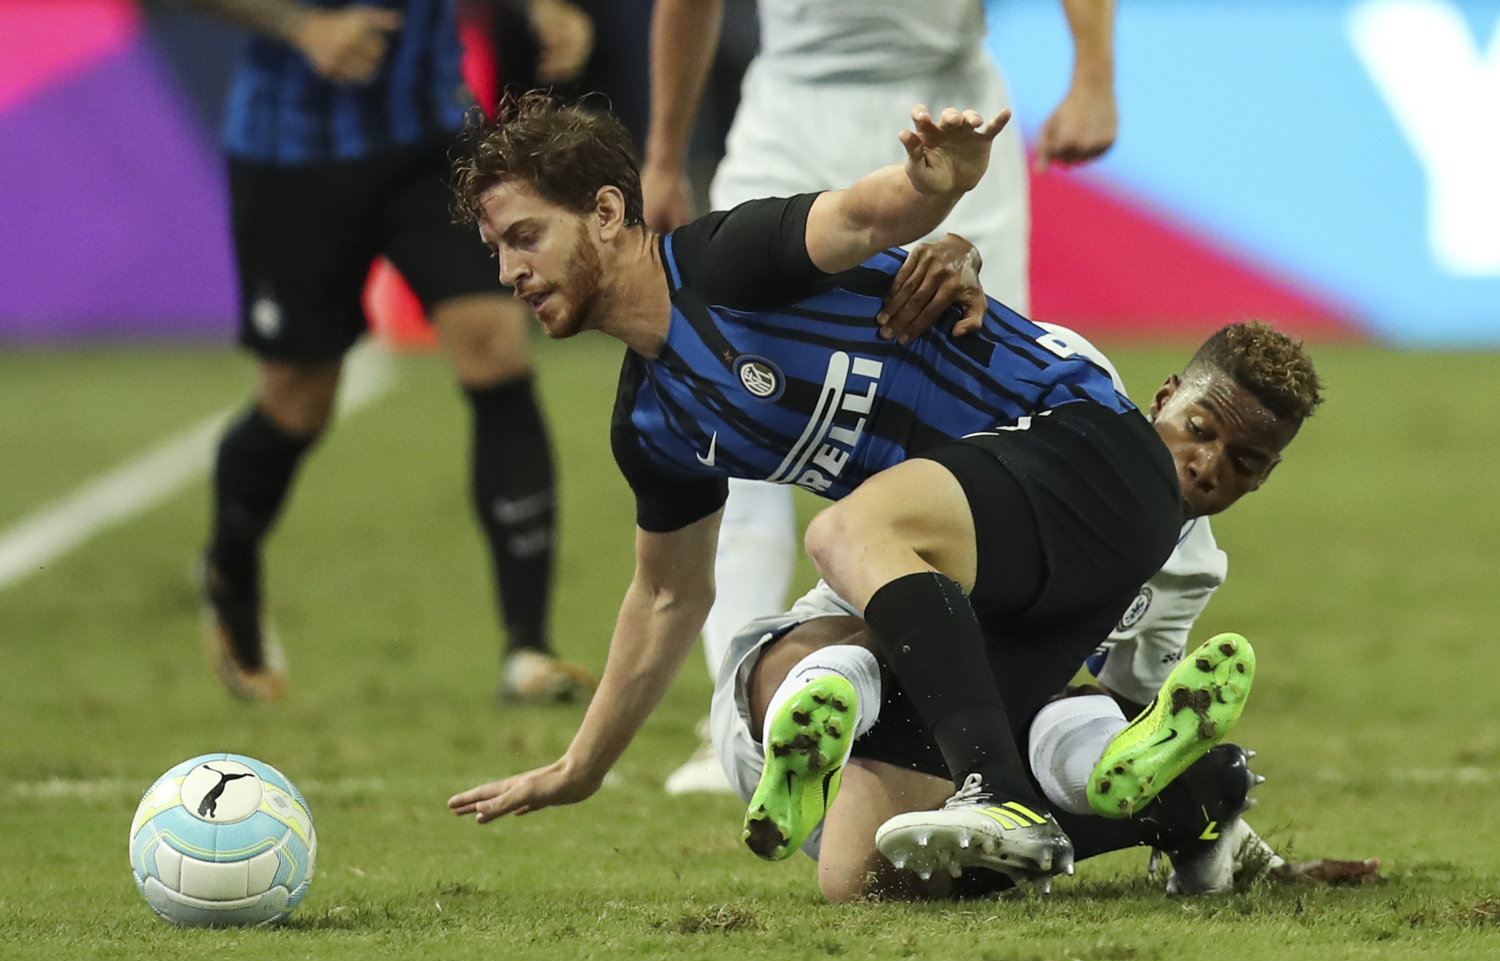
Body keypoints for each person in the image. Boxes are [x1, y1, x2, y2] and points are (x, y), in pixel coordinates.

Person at [444, 93, 1305, 886]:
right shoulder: (653, 426)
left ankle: (996, 785)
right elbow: (668, 594)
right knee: (860, 873)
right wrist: (579, 769)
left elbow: (859, 216)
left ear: (604, 212)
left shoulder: (723, 263)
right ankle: (1186, 804)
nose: (510, 270)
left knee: (843, 537)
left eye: (525, 236)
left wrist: (937, 187)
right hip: (992, 567)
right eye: (497, 250)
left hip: (1086, 452)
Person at [642, 0, 1120, 793]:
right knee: (734, 412)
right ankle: (735, 722)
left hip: (954, 118)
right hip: (787, 122)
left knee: (993, 427)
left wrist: (1094, 76)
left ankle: (983, 705)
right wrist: (663, 154)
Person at [185, 0, 594, 703]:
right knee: (297, 402)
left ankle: (527, 648)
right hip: (291, 151)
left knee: (496, 346)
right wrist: (301, 26)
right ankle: (229, 567)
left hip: (432, 136)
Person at [712, 579, 1380, 901]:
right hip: (829, 684)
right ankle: (1191, 805)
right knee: (902, 618)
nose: (1213, 465)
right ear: (1164, 397)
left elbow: (1129, 717)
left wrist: (1259, 858)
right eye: (1204, 432)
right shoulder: (1039, 467)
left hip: (954, 729)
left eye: (1246, 461)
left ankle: (1177, 805)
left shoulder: (1188, 561)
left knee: (870, 879)